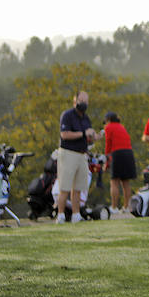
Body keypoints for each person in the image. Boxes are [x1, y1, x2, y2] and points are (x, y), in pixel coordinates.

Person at [55, 90, 95, 223]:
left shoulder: (86, 118)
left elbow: (87, 137)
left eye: (86, 101)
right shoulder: (67, 115)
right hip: (68, 153)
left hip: (82, 154)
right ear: (75, 101)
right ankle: (60, 215)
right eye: (81, 101)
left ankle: (76, 215)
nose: (84, 103)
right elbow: (65, 134)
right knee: (65, 187)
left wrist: (94, 136)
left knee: (78, 188)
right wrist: (83, 133)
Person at [102, 111, 136, 213]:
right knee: (126, 182)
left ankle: (114, 207)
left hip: (117, 153)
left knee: (114, 182)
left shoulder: (108, 127)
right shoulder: (121, 127)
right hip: (128, 153)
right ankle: (126, 207)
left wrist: (106, 160)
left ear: (108, 120)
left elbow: (108, 143)